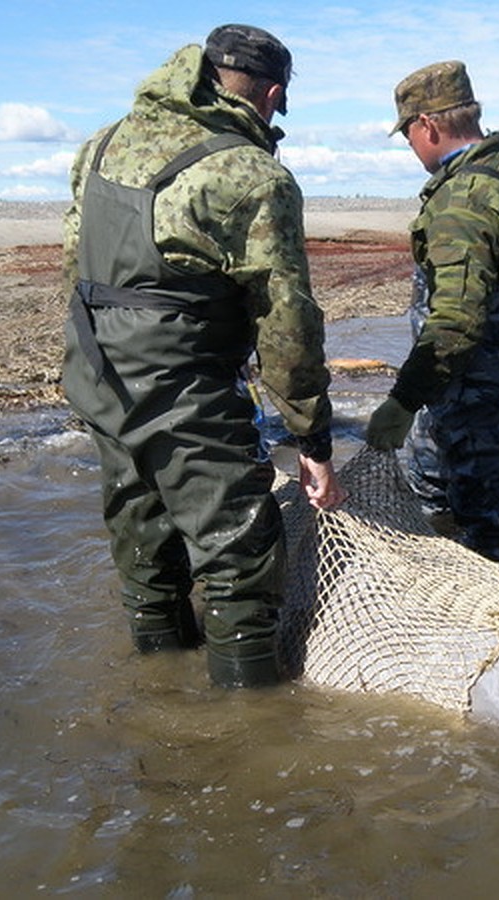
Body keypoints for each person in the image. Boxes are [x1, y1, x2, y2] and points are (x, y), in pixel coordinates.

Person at [62, 24, 347, 689]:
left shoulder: (98, 146)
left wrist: (90, 369)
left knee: (142, 535)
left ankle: (159, 691)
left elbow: (77, 262)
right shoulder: (251, 172)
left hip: (97, 369)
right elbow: (287, 323)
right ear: (272, 95)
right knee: (243, 553)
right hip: (182, 380)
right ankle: (249, 737)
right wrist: (313, 437)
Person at [366, 61, 499, 569]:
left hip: (472, 388)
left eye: (408, 135)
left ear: (427, 125)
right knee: (438, 485)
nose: (410, 147)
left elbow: (455, 320)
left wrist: (401, 403)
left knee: (491, 521)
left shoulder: (464, 200)